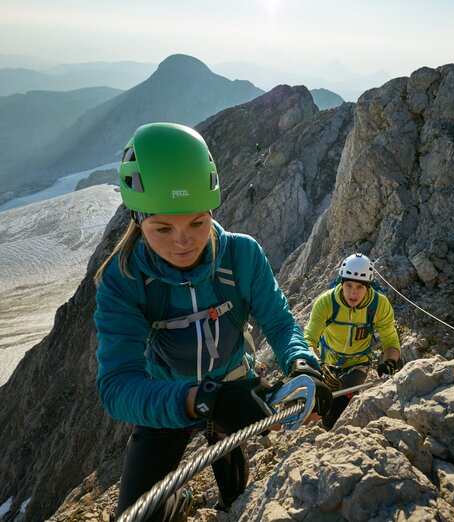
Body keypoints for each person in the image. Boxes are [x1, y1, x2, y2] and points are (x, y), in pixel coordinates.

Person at [94, 122, 332, 520]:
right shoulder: (124, 280)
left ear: (211, 211)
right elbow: (117, 387)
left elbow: (279, 322)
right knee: (140, 514)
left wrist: (302, 362)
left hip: (232, 382)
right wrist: (201, 399)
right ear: (137, 220)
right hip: (166, 396)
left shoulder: (242, 256)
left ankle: (227, 506)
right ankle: (179, 503)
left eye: (197, 223)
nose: (182, 241)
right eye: (162, 228)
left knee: (234, 491)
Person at [303, 253, 401, 430]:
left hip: (358, 362)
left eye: (359, 287)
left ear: (368, 287)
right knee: (321, 402)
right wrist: (318, 364)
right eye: (348, 285)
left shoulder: (379, 305)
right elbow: (309, 339)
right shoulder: (326, 302)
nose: (353, 293)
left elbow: (390, 339)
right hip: (327, 362)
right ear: (341, 282)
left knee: (340, 404)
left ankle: (329, 432)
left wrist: (389, 362)